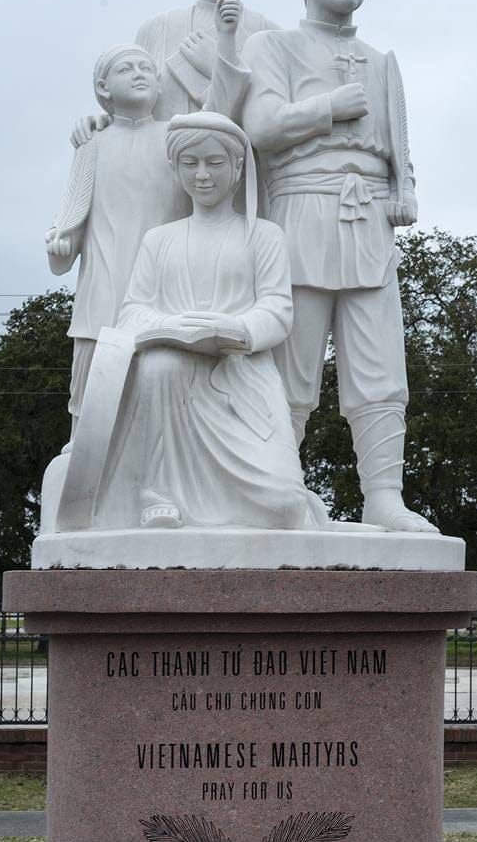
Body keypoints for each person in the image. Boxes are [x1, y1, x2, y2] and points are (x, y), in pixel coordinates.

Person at [213, 0, 438, 533]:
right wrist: (328, 107)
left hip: (368, 221)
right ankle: (276, 489)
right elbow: (257, 128)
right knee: (290, 368)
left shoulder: (381, 60)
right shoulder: (274, 46)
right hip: (301, 214)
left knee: (380, 368)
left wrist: (405, 189)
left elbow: (399, 146)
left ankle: (384, 496)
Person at [81, 112, 326, 531]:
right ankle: (159, 491)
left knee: (285, 508)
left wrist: (236, 331)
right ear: (175, 169)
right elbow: (134, 309)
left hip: (242, 378)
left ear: (236, 169)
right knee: (161, 366)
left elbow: (277, 309)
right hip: (173, 379)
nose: (203, 175)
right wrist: (176, 328)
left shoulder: (263, 235)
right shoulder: (160, 240)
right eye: (190, 163)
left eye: (214, 163)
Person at [46, 43, 189, 441]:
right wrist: (61, 244)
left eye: (146, 67)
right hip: (103, 286)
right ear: (103, 88)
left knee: (161, 383)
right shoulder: (92, 145)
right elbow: (70, 220)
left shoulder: (177, 141)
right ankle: (83, 457)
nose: (140, 73)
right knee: (92, 389)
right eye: (127, 69)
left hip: (164, 287)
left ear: (160, 85)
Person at [70, 0, 278, 145]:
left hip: (246, 167)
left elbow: (273, 113)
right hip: (166, 162)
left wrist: (217, 65)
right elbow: (137, 104)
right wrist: (110, 121)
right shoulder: (159, 27)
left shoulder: (271, 33)